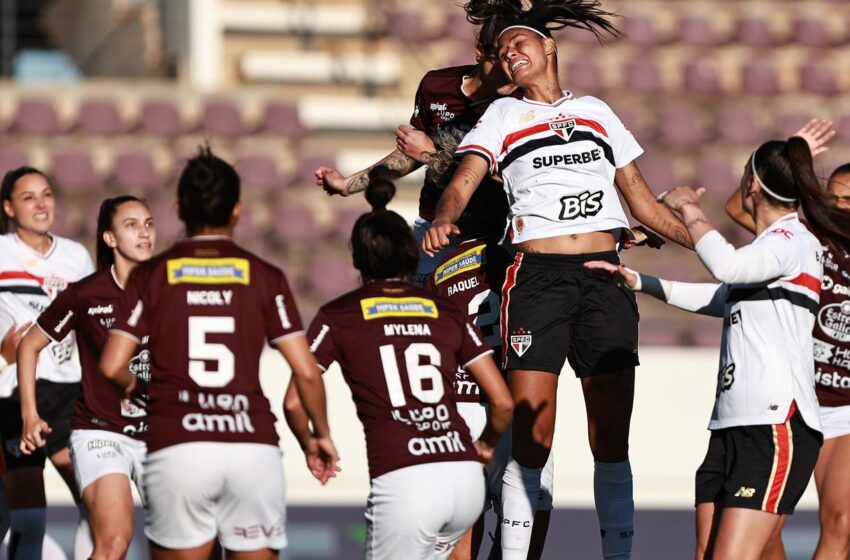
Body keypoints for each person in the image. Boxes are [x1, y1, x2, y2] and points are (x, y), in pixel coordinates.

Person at [424, 1, 694, 558]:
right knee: (532, 441)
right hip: (536, 280)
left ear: (549, 46)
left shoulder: (597, 111)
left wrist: (713, 246)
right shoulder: (502, 115)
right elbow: (464, 179)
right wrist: (445, 217)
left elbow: (644, 204)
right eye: (502, 52)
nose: (509, 55)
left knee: (610, 441)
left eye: (518, 43)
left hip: (604, 279)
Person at [588, 135, 850, 560]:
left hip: (773, 425)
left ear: (752, 184)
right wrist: (639, 282)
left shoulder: (794, 240)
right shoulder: (770, 247)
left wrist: (689, 208)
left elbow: (726, 266)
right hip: (730, 425)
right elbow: (722, 297)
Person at [99, 147, 338, 560]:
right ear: (237, 210)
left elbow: (112, 365)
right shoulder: (265, 275)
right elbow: (307, 372)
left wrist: (139, 389)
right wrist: (321, 435)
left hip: (179, 444)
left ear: (178, 209)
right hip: (251, 446)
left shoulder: (151, 274)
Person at [284, 179, 514, 560]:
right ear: (410, 256)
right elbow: (503, 402)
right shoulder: (445, 311)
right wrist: (486, 445)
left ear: (358, 262)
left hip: (405, 476)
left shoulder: (340, 313)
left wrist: (315, 439)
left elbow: (295, 400)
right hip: (462, 475)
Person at [724, 121, 850, 560]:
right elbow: (737, 207)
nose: (838, 205)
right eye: (832, 196)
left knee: (842, 521)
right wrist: (791, 159)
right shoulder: (804, 239)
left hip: (846, 408)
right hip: (796, 399)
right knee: (764, 531)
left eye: (848, 199)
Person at [315, 14, 517, 285]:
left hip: (495, 235)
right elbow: (410, 154)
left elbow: (511, 180)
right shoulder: (437, 86)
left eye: (515, 62)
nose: (510, 71)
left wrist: (432, 155)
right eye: (500, 60)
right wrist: (348, 184)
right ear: (480, 52)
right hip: (434, 231)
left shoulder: (523, 103)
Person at [17, 196, 155, 560]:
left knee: (194, 546)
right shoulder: (85, 293)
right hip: (100, 432)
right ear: (110, 238)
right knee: (114, 542)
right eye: (131, 225)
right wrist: (30, 415)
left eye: (148, 224)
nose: (144, 233)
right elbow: (29, 345)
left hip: (158, 433)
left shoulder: (170, 289)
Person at [423, 210, 554, 560]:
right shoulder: (525, 256)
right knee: (525, 537)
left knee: (460, 539)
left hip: (461, 407)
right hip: (520, 403)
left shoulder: (440, 270)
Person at [0, 166, 95, 559]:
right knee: (29, 519)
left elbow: (93, 326)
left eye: (47, 194)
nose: (41, 204)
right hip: (14, 395)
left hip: (68, 393)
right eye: (28, 197)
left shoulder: (76, 257)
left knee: (96, 505)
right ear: (8, 208)